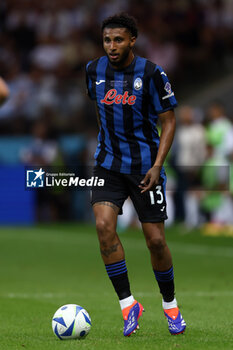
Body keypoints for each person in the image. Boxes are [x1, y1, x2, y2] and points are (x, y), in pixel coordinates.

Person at [85, 13, 186, 336]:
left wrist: (157, 165)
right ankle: (128, 305)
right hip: (107, 165)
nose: (111, 46)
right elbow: (100, 111)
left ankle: (171, 307)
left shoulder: (152, 73)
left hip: (145, 168)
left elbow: (169, 120)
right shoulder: (93, 71)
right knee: (103, 226)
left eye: (118, 40)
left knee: (155, 241)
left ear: (132, 40)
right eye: (107, 40)